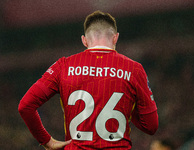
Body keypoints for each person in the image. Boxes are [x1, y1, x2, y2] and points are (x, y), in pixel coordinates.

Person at [18, 10, 158, 150]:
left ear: (84, 40)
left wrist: (47, 141)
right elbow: (151, 126)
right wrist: (129, 106)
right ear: (115, 38)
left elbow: (25, 106)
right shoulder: (134, 69)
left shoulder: (63, 66)